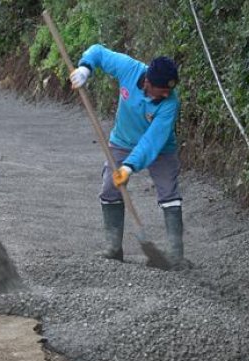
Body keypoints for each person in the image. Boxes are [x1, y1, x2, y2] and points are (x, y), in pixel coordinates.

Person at [69, 44, 190, 270]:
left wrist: (129, 167)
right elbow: (97, 52)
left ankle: (175, 255)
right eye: (162, 90)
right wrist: (85, 69)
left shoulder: (170, 103)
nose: (167, 94)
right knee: (109, 188)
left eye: (169, 90)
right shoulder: (129, 69)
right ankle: (113, 248)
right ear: (147, 83)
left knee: (169, 193)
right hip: (122, 142)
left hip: (160, 148)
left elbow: (153, 140)